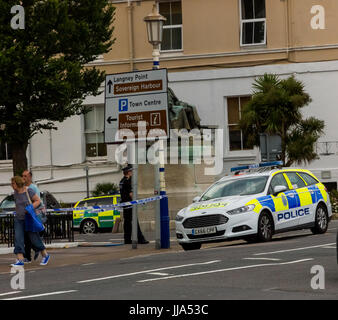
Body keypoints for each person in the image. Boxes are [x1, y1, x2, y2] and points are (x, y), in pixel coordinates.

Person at [10, 176, 50, 267]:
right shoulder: (15, 193)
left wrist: (30, 208)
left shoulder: (29, 191)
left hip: (29, 218)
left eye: (13, 183)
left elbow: (38, 201)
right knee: (18, 238)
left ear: (17, 183)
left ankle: (45, 255)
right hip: (19, 219)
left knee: (34, 238)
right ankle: (20, 259)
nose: (11, 185)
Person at [119, 165, 149, 245]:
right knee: (135, 221)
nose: (132, 173)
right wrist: (137, 201)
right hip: (130, 204)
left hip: (125, 204)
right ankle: (140, 239)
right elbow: (131, 194)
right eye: (131, 171)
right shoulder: (128, 181)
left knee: (127, 223)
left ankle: (127, 239)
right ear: (128, 172)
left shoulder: (121, 181)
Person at [22, 170, 45, 263]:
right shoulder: (22, 188)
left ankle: (36, 249)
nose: (23, 177)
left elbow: (38, 202)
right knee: (26, 236)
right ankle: (29, 255)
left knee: (31, 235)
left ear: (30, 177)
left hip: (33, 215)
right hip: (26, 215)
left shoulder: (33, 188)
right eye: (22, 176)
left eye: (25, 176)